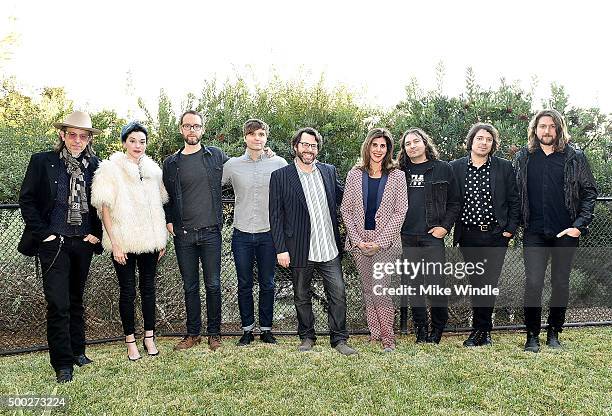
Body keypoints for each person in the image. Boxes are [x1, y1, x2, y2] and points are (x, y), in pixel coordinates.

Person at [18, 111, 103, 383]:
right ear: (62, 135)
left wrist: (96, 233)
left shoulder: (96, 166)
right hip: (54, 243)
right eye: (72, 135)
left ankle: (78, 351)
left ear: (89, 139)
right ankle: (62, 363)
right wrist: (43, 234)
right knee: (58, 304)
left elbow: (102, 204)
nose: (77, 140)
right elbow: (27, 200)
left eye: (83, 136)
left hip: (82, 243)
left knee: (76, 300)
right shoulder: (42, 162)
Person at [515, 109, 597, 352]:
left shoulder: (574, 157)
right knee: (533, 283)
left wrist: (578, 226)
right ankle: (532, 335)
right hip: (534, 233)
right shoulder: (524, 157)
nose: (547, 131)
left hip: (565, 233)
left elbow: (589, 192)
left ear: (559, 129)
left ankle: (554, 331)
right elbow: (515, 194)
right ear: (535, 129)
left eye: (551, 126)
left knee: (561, 283)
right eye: (542, 126)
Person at [269, 127, 357, 355]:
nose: (309, 149)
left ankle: (339, 339)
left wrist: (363, 177)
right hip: (300, 248)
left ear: (318, 148)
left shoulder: (328, 171)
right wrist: (281, 249)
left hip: (329, 247)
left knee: (338, 294)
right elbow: (275, 216)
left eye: (313, 145)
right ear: (296, 147)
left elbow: (345, 196)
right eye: (305, 145)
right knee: (301, 296)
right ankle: (307, 336)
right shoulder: (281, 176)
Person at [91, 121, 168, 360]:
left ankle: (149, 337)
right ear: (124, 142)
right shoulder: (110, 168)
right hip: (123, 241)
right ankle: (130, 341)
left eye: (142, 141)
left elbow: (159, 206)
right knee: (127, 291)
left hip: (150, 241)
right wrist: (114, 242)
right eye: (133, 140)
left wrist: (161, 238)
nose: (138, 145)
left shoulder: (154, 170)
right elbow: (104, 208)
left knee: (148, 289)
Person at [163, 110, 228, 352]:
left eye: (197, 126)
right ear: (181, 129)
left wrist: (266, 154)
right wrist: (169, 220)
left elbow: (241, 169)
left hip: (211, 232)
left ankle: (214, 334)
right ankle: (192, 334)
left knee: (213, 284)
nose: (192, 130)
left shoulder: (216, 156)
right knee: (190, 286)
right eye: (188, 126)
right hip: (184, 235)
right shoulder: (171, 163)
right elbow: (166, 196)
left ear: (202, 129)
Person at [450, 123, 520, 347]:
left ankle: (482, 331)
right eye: (480, 138)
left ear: (493, 144)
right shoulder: (456, 168)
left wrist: (509, 231)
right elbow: (450, 201)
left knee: (488, 283)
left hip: (495, 236)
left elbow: (514, 201)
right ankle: (480, 330)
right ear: (471, 141)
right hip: (468, 236)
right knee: (476, 282)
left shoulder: (504, 167)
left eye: (488, 140)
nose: (484, 143)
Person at [340, 128, 407, 352]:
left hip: (385, 243)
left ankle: (389, 339)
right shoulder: (355, 174)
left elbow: (400, 211)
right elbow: (346, 210)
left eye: (383, 146)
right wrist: (357, 240)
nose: (379, 150)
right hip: (360, 242)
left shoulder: (397, 175)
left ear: (388, 149)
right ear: (368, 146)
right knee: (368, 290)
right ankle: (374, 333)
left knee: (381, 289)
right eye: (375, 145)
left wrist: (380, 240)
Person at [221, 119, 287, 346]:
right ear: (245, 137)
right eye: (252, 134)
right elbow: (213, 186)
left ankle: (267, 330)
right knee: (244, 284)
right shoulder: (232, 165)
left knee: (268, 283)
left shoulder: (279, 163)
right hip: (241, 234)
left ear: (266, 137)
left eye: (261, 134)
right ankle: (248, 330)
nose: (257, 138)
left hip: (268, 234)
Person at [397, 128, 460, 344]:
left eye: (416, 141)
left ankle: (437, 329)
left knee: (435, 284)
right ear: (404, 149)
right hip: (406, 236)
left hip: (432, 236)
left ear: (425, 143)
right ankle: (421, 330)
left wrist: (445, 227)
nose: (412, 146)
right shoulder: (399, 171)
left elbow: (454, 203)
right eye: (408, 143)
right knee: (413, 285)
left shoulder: (443, 169)